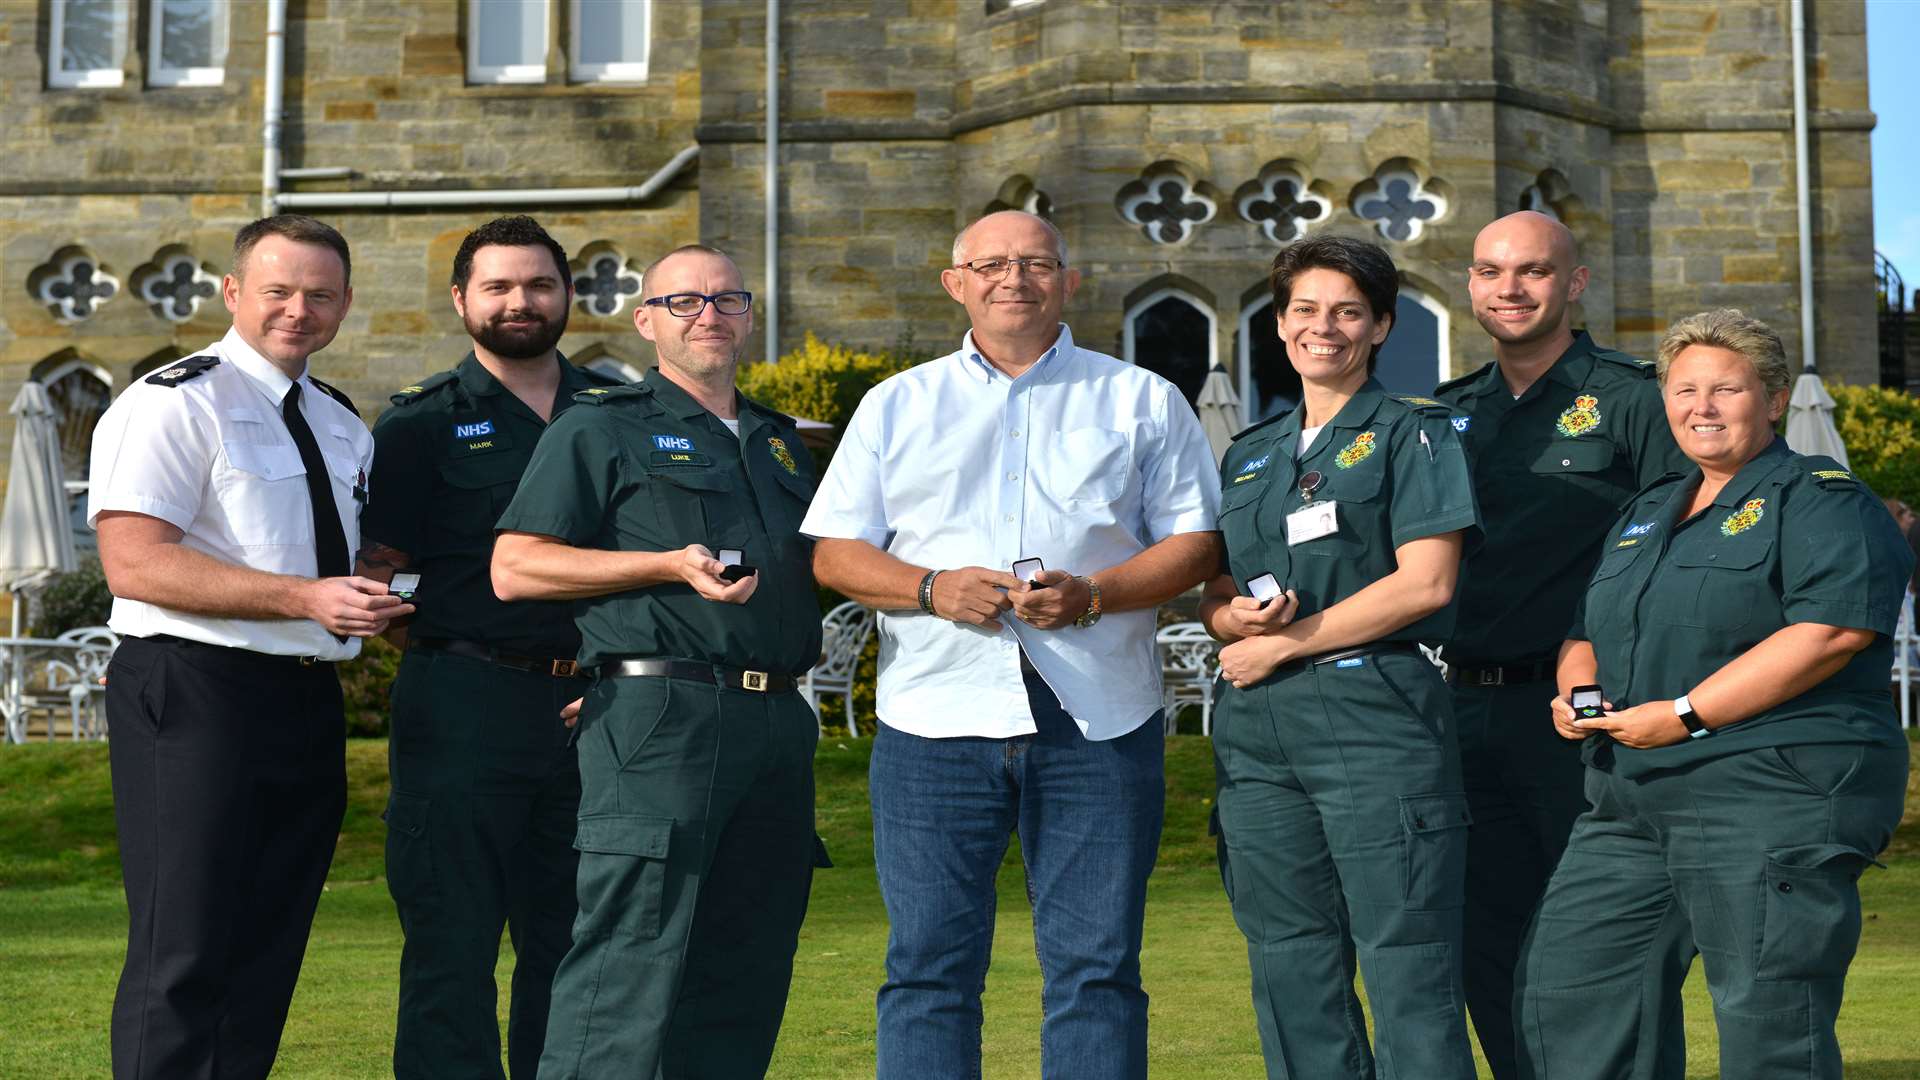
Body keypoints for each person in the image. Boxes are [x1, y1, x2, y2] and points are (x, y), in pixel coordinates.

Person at [802, 209, 1221, 1080]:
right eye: (989, 263)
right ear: (955, 283)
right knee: (926, 971)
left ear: (1069, 281)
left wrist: (1097, 592)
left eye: (1036, 263)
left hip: (1098, 718)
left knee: (1098, 973)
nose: (1013, 279)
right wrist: (928, 587)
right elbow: (836, 553)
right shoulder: (896, 404)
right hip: (934, 723)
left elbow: (1197, 544)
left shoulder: (1142, 397)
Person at [1517, 309, 1914, 1080]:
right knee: (1571, 990)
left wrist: (1686, 715)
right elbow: (1585, 631)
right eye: (1684, 389)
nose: (1700, 406)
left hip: (1768, 791)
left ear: (1770, 400)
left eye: (1725, 389)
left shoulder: (1824, 501)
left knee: (1769, 1021)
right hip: (1630, 795)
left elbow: (1832, 631)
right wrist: (1581, 697)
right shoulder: (1645, 513)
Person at [490, 244, 826, 1080]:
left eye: (727, 299)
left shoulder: (780, 444)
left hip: (779, 718)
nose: (708, 314)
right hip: (664, 719)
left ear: (749, 316)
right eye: (684, 302)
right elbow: (516, 566)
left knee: (747, 959)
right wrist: (665, 565)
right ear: (648, 321)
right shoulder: (601, 425)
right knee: (629, 958)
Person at [88, 214, 412, 1079]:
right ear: (233, 293)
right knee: (184, 949)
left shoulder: (342, 422)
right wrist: (304, 596)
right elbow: (134, 562)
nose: (298, 310)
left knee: (268, 947)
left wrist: (368, 582)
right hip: (193, 691)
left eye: (319, 294)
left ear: (345, 303)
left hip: (305, 699)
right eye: (277, 290)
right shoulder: (172, 401)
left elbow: (313, 551)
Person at [1202, 234, 1481, 1080]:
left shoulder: (1413, 433)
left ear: (1382, 326)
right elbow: (1214, 592)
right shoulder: (1249, 453)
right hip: (1258, 729)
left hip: (1372, 714)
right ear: (1279, 325)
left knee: (1406, 957)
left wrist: (1286, 643)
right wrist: (1234, 621)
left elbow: (1426, 584)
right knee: (1288, 960)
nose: (1324, 327)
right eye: (1305, 310)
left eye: (1348, 312)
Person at [359, 216, 622, 1079]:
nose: (521, 302)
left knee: (577, 947)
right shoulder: (420, 426)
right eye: (500, 286)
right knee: (451, 946)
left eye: (539, 285)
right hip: (463, 709)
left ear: (569, 295)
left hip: (600, 711)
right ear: (462, 299)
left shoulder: (618, 415)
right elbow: (381, 577)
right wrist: (456, 657)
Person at [1431, 210, 1693, 1077]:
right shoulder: (1448, 416)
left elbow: (1678, 549)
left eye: (1533, 271)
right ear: (1470, 285)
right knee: (1485, 936)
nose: (1509, 289)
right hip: (1464, 707)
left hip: (1585, 712)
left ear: (1574, 283)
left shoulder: (1632, 398)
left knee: (1607, 943)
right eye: (1489, 271)